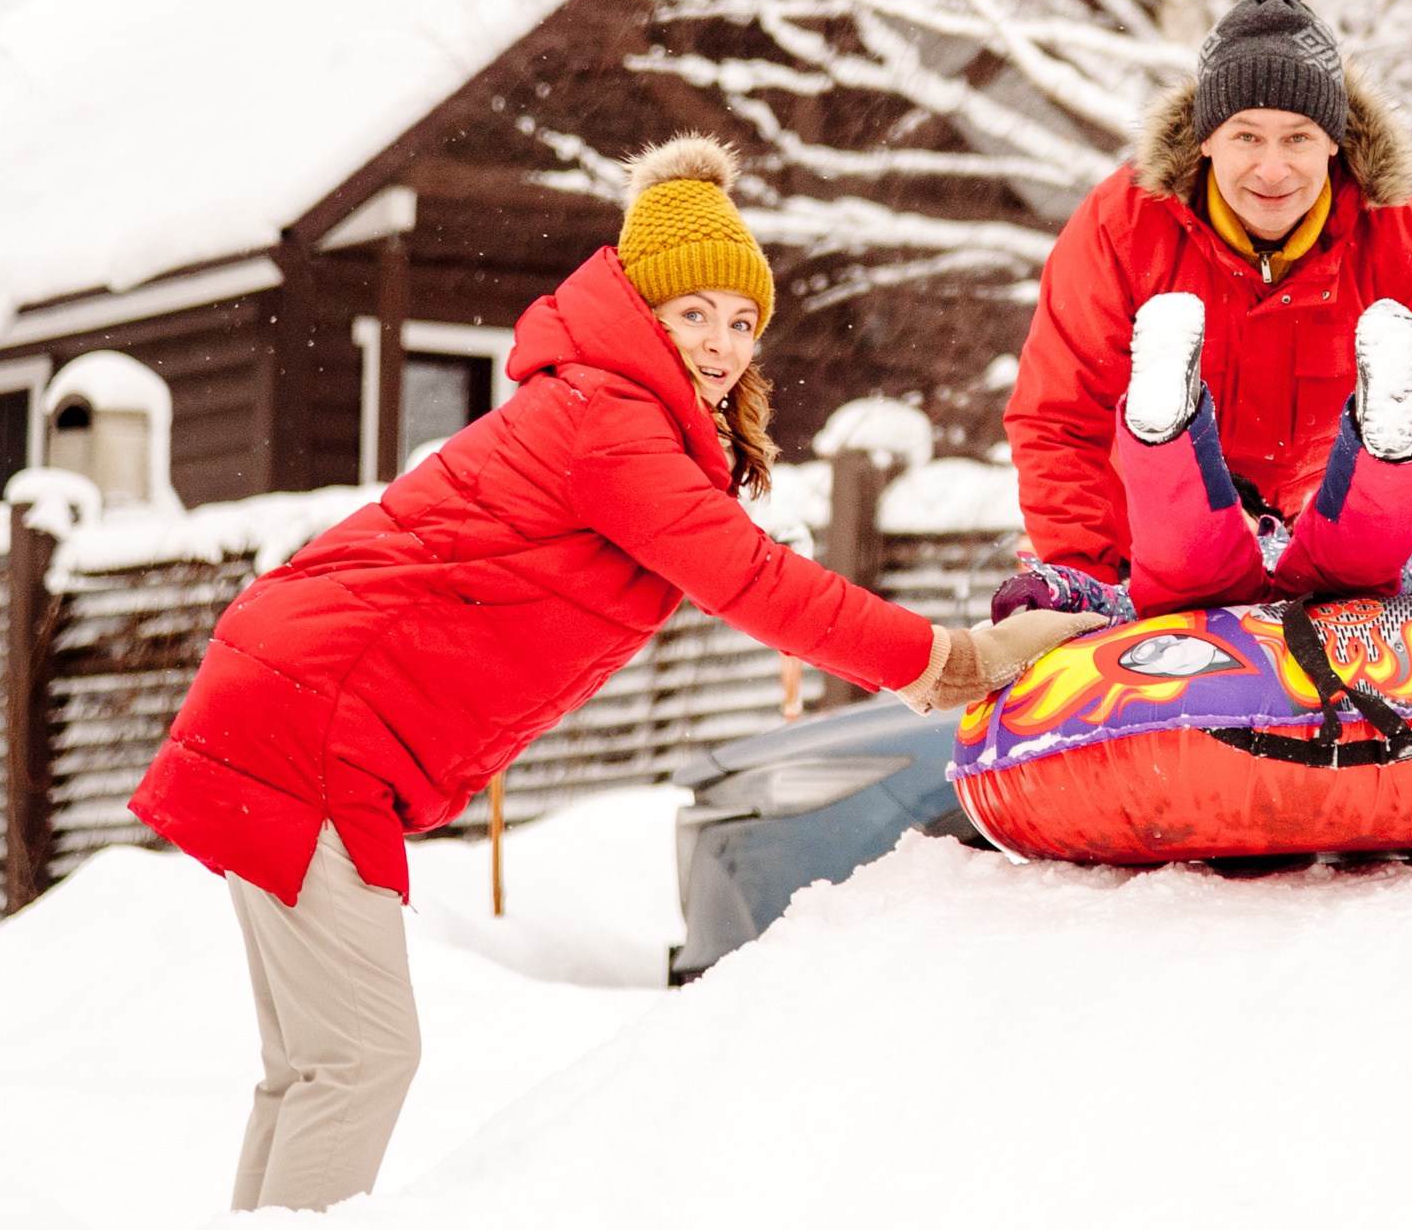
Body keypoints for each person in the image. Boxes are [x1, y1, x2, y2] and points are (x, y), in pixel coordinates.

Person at [129, 136, 1102, 1213]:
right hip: (312, 716)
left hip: (295, 696)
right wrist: (949, 663)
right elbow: (754, 581)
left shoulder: (615, 415)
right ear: (641, 309)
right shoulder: (609, 421)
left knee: (315, 1066)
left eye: (741, 322)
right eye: (694, 315)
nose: (723, 344)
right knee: (359, 1059)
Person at [1000, 0, 1412, 620]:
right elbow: (1058, 419)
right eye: (1247, 136)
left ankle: (1385, 441)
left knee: (1364, 531)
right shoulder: (1124, 227)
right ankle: (1166, 427)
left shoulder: (1395, 238)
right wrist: (1083, 580)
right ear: (1207, 140)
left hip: (1323, 560)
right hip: (1154, 566)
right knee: (1188, 542)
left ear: (1334, 144)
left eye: (1298, 138)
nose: (1272, 170)